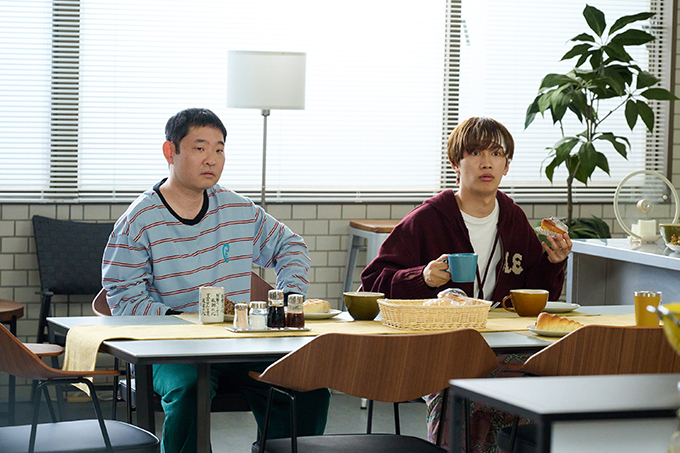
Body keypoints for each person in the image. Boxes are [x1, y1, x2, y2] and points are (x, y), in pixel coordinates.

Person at [102, 108, 330, 453]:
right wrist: (182, 320)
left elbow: (290, 246)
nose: (211, 159)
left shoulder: (238, 209)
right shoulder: (140, 219)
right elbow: (123, 297)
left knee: (309, 385)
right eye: (200, 148)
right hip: (171, 349)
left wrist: (288, 297)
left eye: (219, 149)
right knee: (190, 388)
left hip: (238, 343)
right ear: (170, 152)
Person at [361, 116, 572, 451]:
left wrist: (553, 263)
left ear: (506, 165)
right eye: (475, 153)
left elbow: (535, 294)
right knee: (465, 394)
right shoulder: (427, 219)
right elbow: (372, 283)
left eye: (496, 153)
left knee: (555, 387)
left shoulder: (514, 219)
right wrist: (422, 277)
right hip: (441, 350)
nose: (486, 162)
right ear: (455, 164)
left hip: (503, 346)